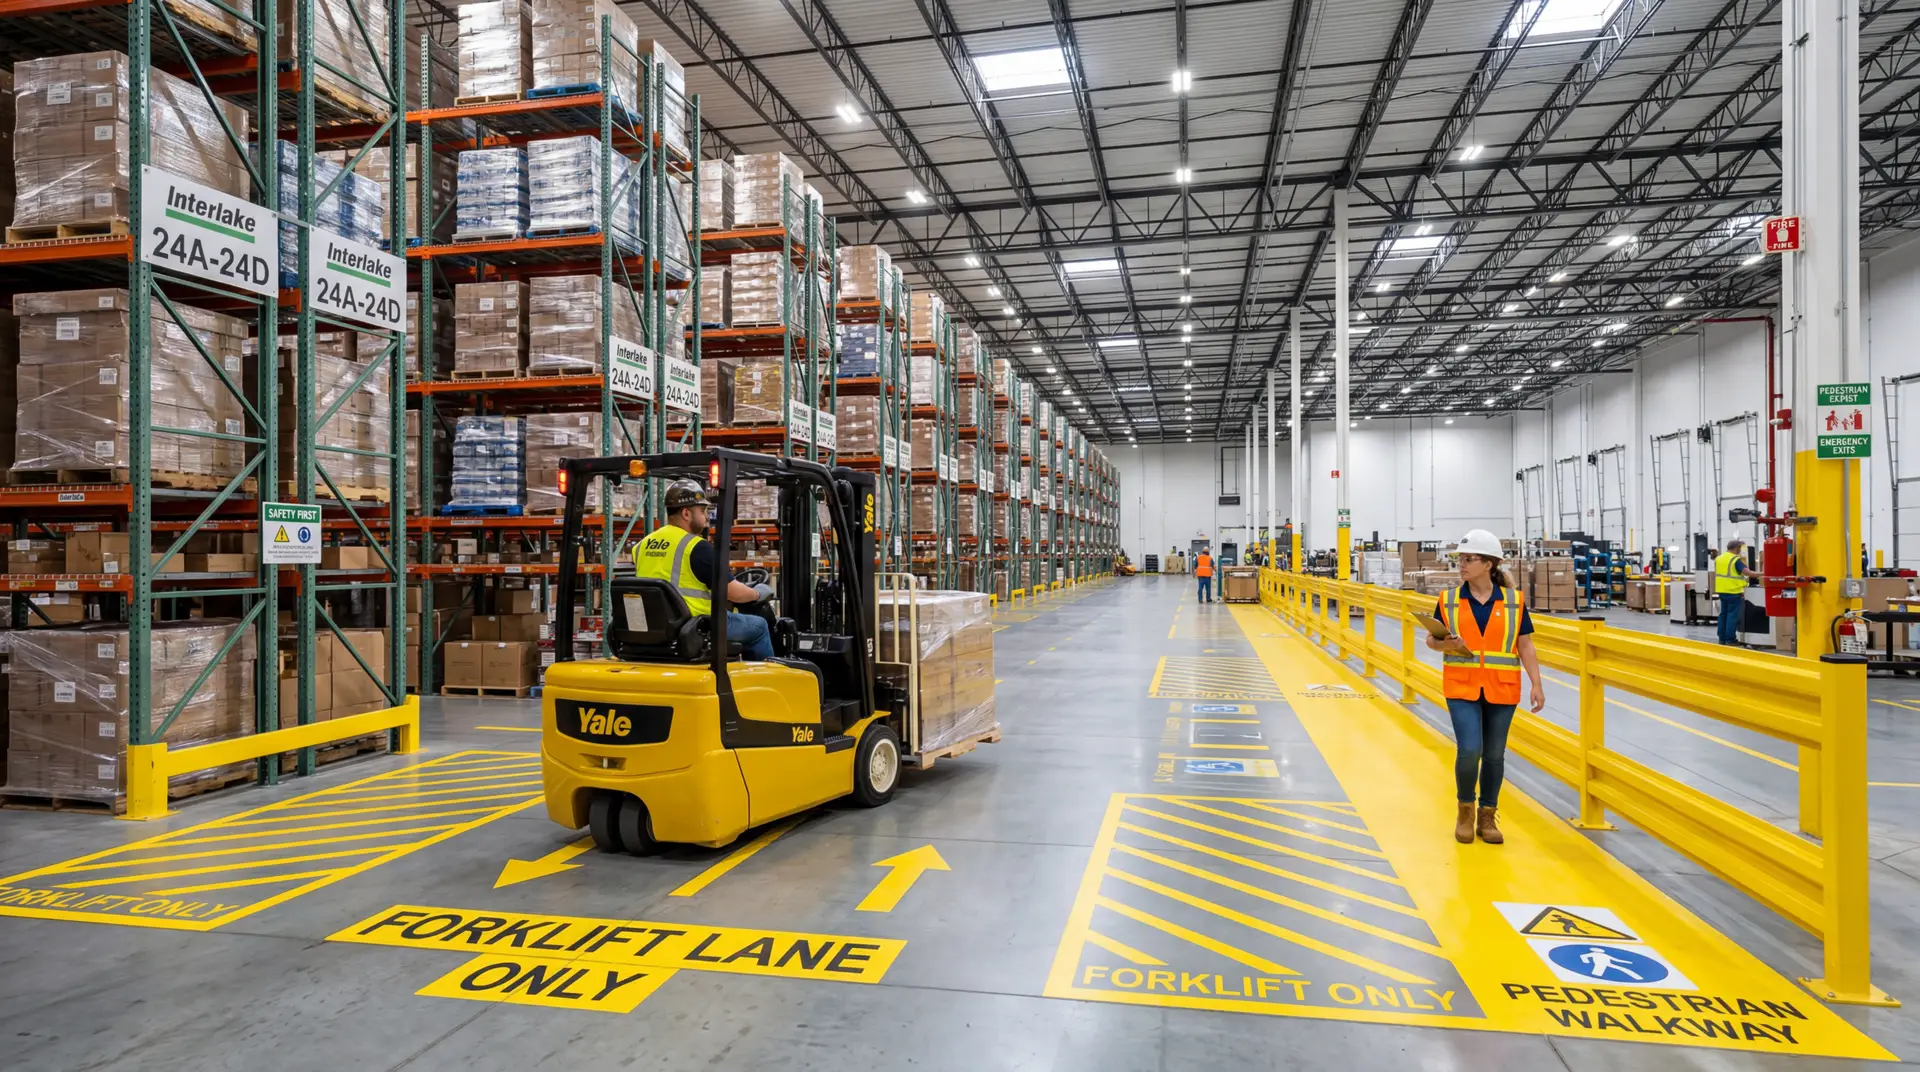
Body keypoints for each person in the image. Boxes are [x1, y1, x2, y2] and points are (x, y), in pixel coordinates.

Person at [1426, 529, 1546, 846]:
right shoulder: (1449, 600)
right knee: (1469, 750)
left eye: (1469, 559)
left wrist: (1537, 683)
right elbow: (1431, 640)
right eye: (1461, 559)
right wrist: (1445, 643)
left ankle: (1487, 816)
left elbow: (1525, 644)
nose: (1462, 565)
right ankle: (1465, 811)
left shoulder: (1513, 602)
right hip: (1462, 687)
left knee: (1494, 755)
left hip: (1502, 687)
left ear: (1488, 564)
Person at [632, 479, 775, 660]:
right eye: (702, 511)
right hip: (697, 625)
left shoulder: (643, 545)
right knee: (760, 626)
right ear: (686, 513)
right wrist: (758, 594)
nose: (706, 517)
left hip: (657, 626)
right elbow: (734, 593)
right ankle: (762, 681)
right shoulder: (695, 547)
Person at [1712, 538, 1762, 646]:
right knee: (1732, 616)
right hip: (1733, 592)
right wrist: (1764, 573)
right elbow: (1749, 573)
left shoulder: (1719, 558)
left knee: (1723, 615)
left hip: (1722, 591)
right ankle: (1731, 639)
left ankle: (1722, 639)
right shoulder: (1735, 560)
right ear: (1737, 548)